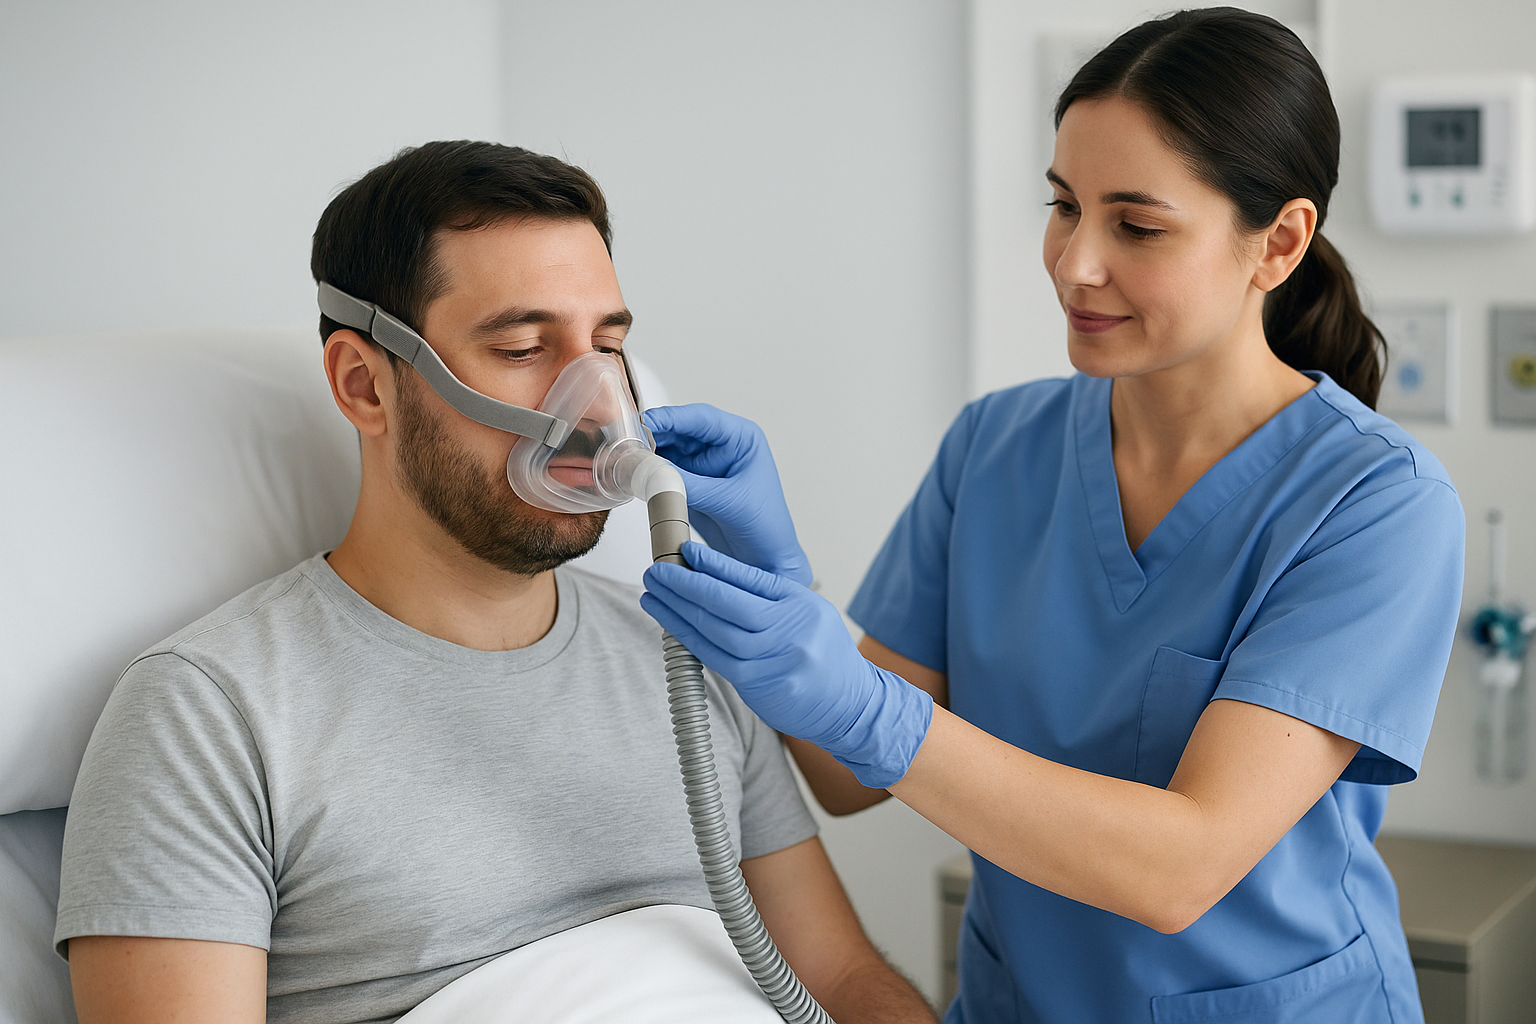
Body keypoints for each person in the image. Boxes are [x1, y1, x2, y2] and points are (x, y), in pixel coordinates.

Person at [640, 9, 1465, 1024]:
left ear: (1280, 243)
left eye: (1137, 224)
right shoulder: (997, 448)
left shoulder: (1374, 504)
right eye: (1064, 205)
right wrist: (774, 574)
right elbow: (849, 779)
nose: (1075, 262)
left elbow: (1183, 864)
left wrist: (862, 704)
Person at [54, 142, 934, 1024]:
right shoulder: (210, 716)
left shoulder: (689, 655)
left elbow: (845, 981)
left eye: (609, 347)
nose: (596, 407)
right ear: (365, 386)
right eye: (522, 346)